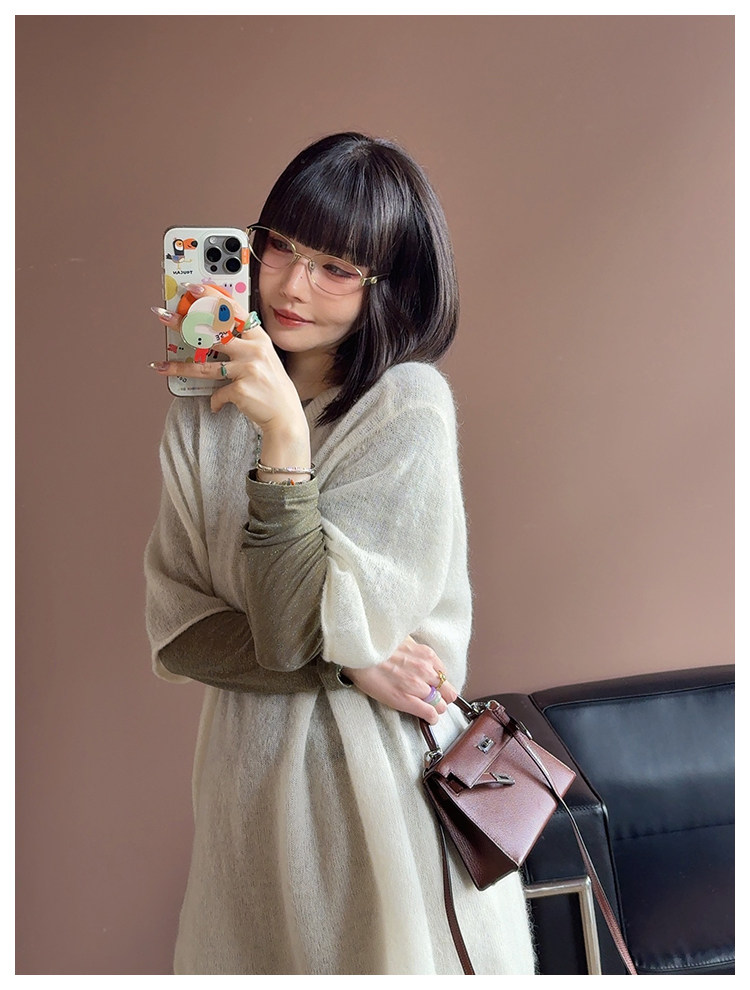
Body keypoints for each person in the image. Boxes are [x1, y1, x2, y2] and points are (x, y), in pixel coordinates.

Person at [144, 132, 534, 975]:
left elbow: (285, 634)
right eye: (280, 246)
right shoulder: (202, 409)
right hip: (245, 792)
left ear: (391, 283)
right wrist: (351, 663)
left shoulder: (405, 408)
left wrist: (285, 438)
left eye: (335, 268)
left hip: (373, 792)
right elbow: (179, 634)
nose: (290, 285)